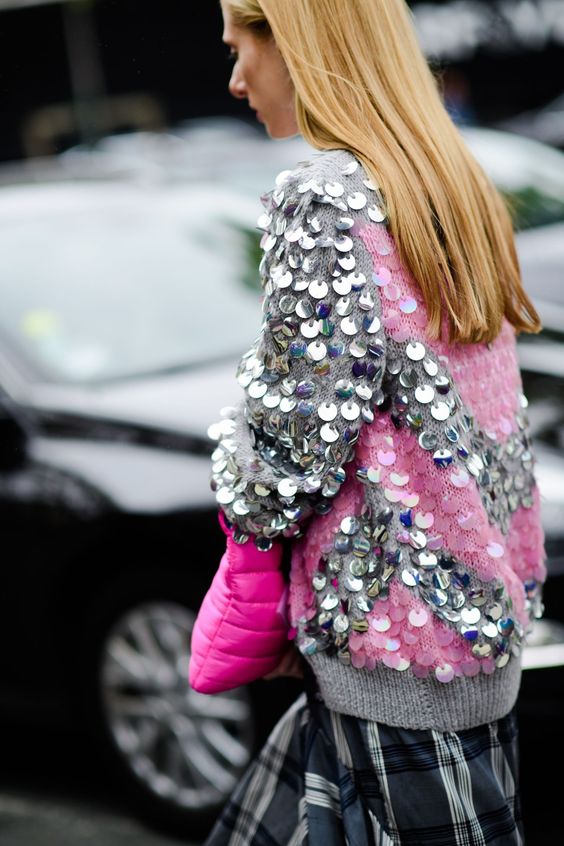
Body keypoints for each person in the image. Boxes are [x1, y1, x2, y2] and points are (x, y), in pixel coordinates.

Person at [203, 1, 546, 843]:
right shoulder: (451, 184)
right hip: (474, 637)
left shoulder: (321, 198)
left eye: (244, 43)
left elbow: (290, 452)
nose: (236, 76)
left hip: (386, 653)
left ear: (304, 37)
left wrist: (237, 458)